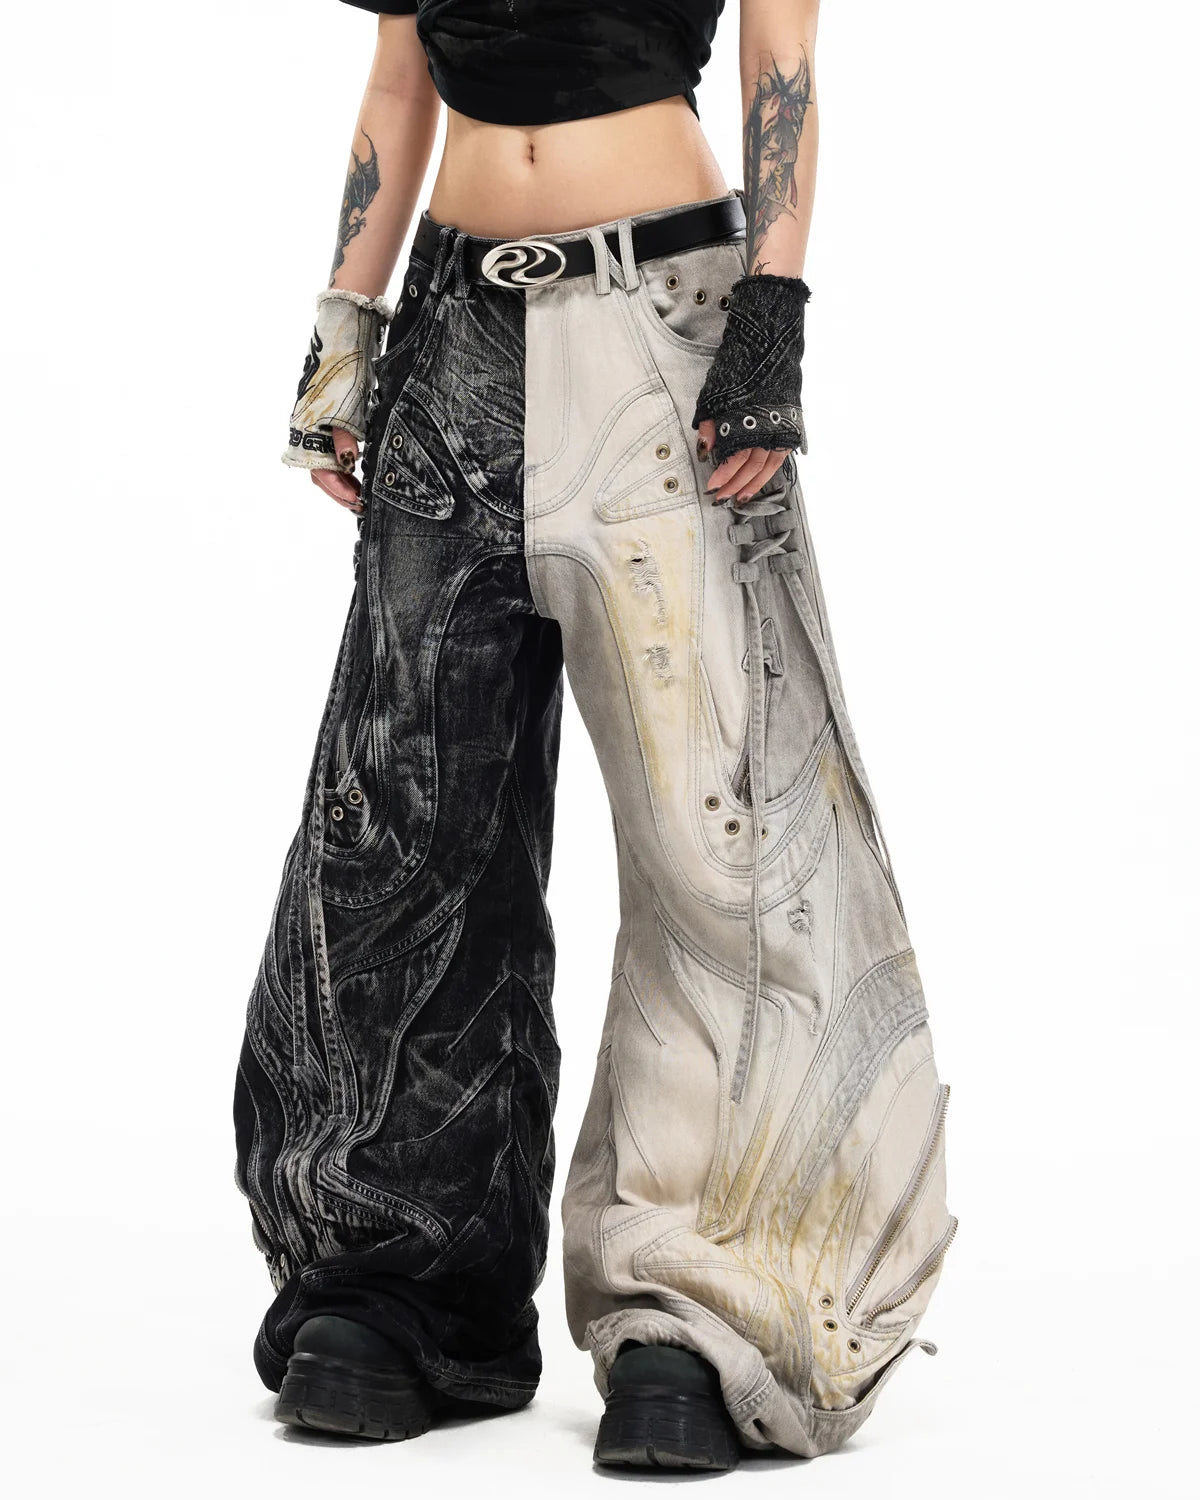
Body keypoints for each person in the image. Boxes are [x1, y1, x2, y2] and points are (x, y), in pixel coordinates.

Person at [232, 0, 956, 1471]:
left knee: (717, 826)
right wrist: (344, 330)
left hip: (667, 323)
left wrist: (774, 310)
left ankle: (700, 1304)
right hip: (453, 325)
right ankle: (404, 1283)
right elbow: (399, 79)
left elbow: (783, 62)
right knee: (408, 814)